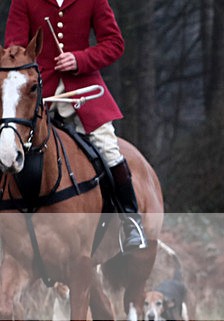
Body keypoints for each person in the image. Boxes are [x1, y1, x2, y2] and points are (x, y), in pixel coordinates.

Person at [5, 0, 146, 251]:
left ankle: (130, 222)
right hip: (36, 92)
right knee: (8, 145)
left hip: (83, 91)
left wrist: (80, 59)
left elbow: (114, 43)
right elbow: (14, 51)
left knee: (108, 148)